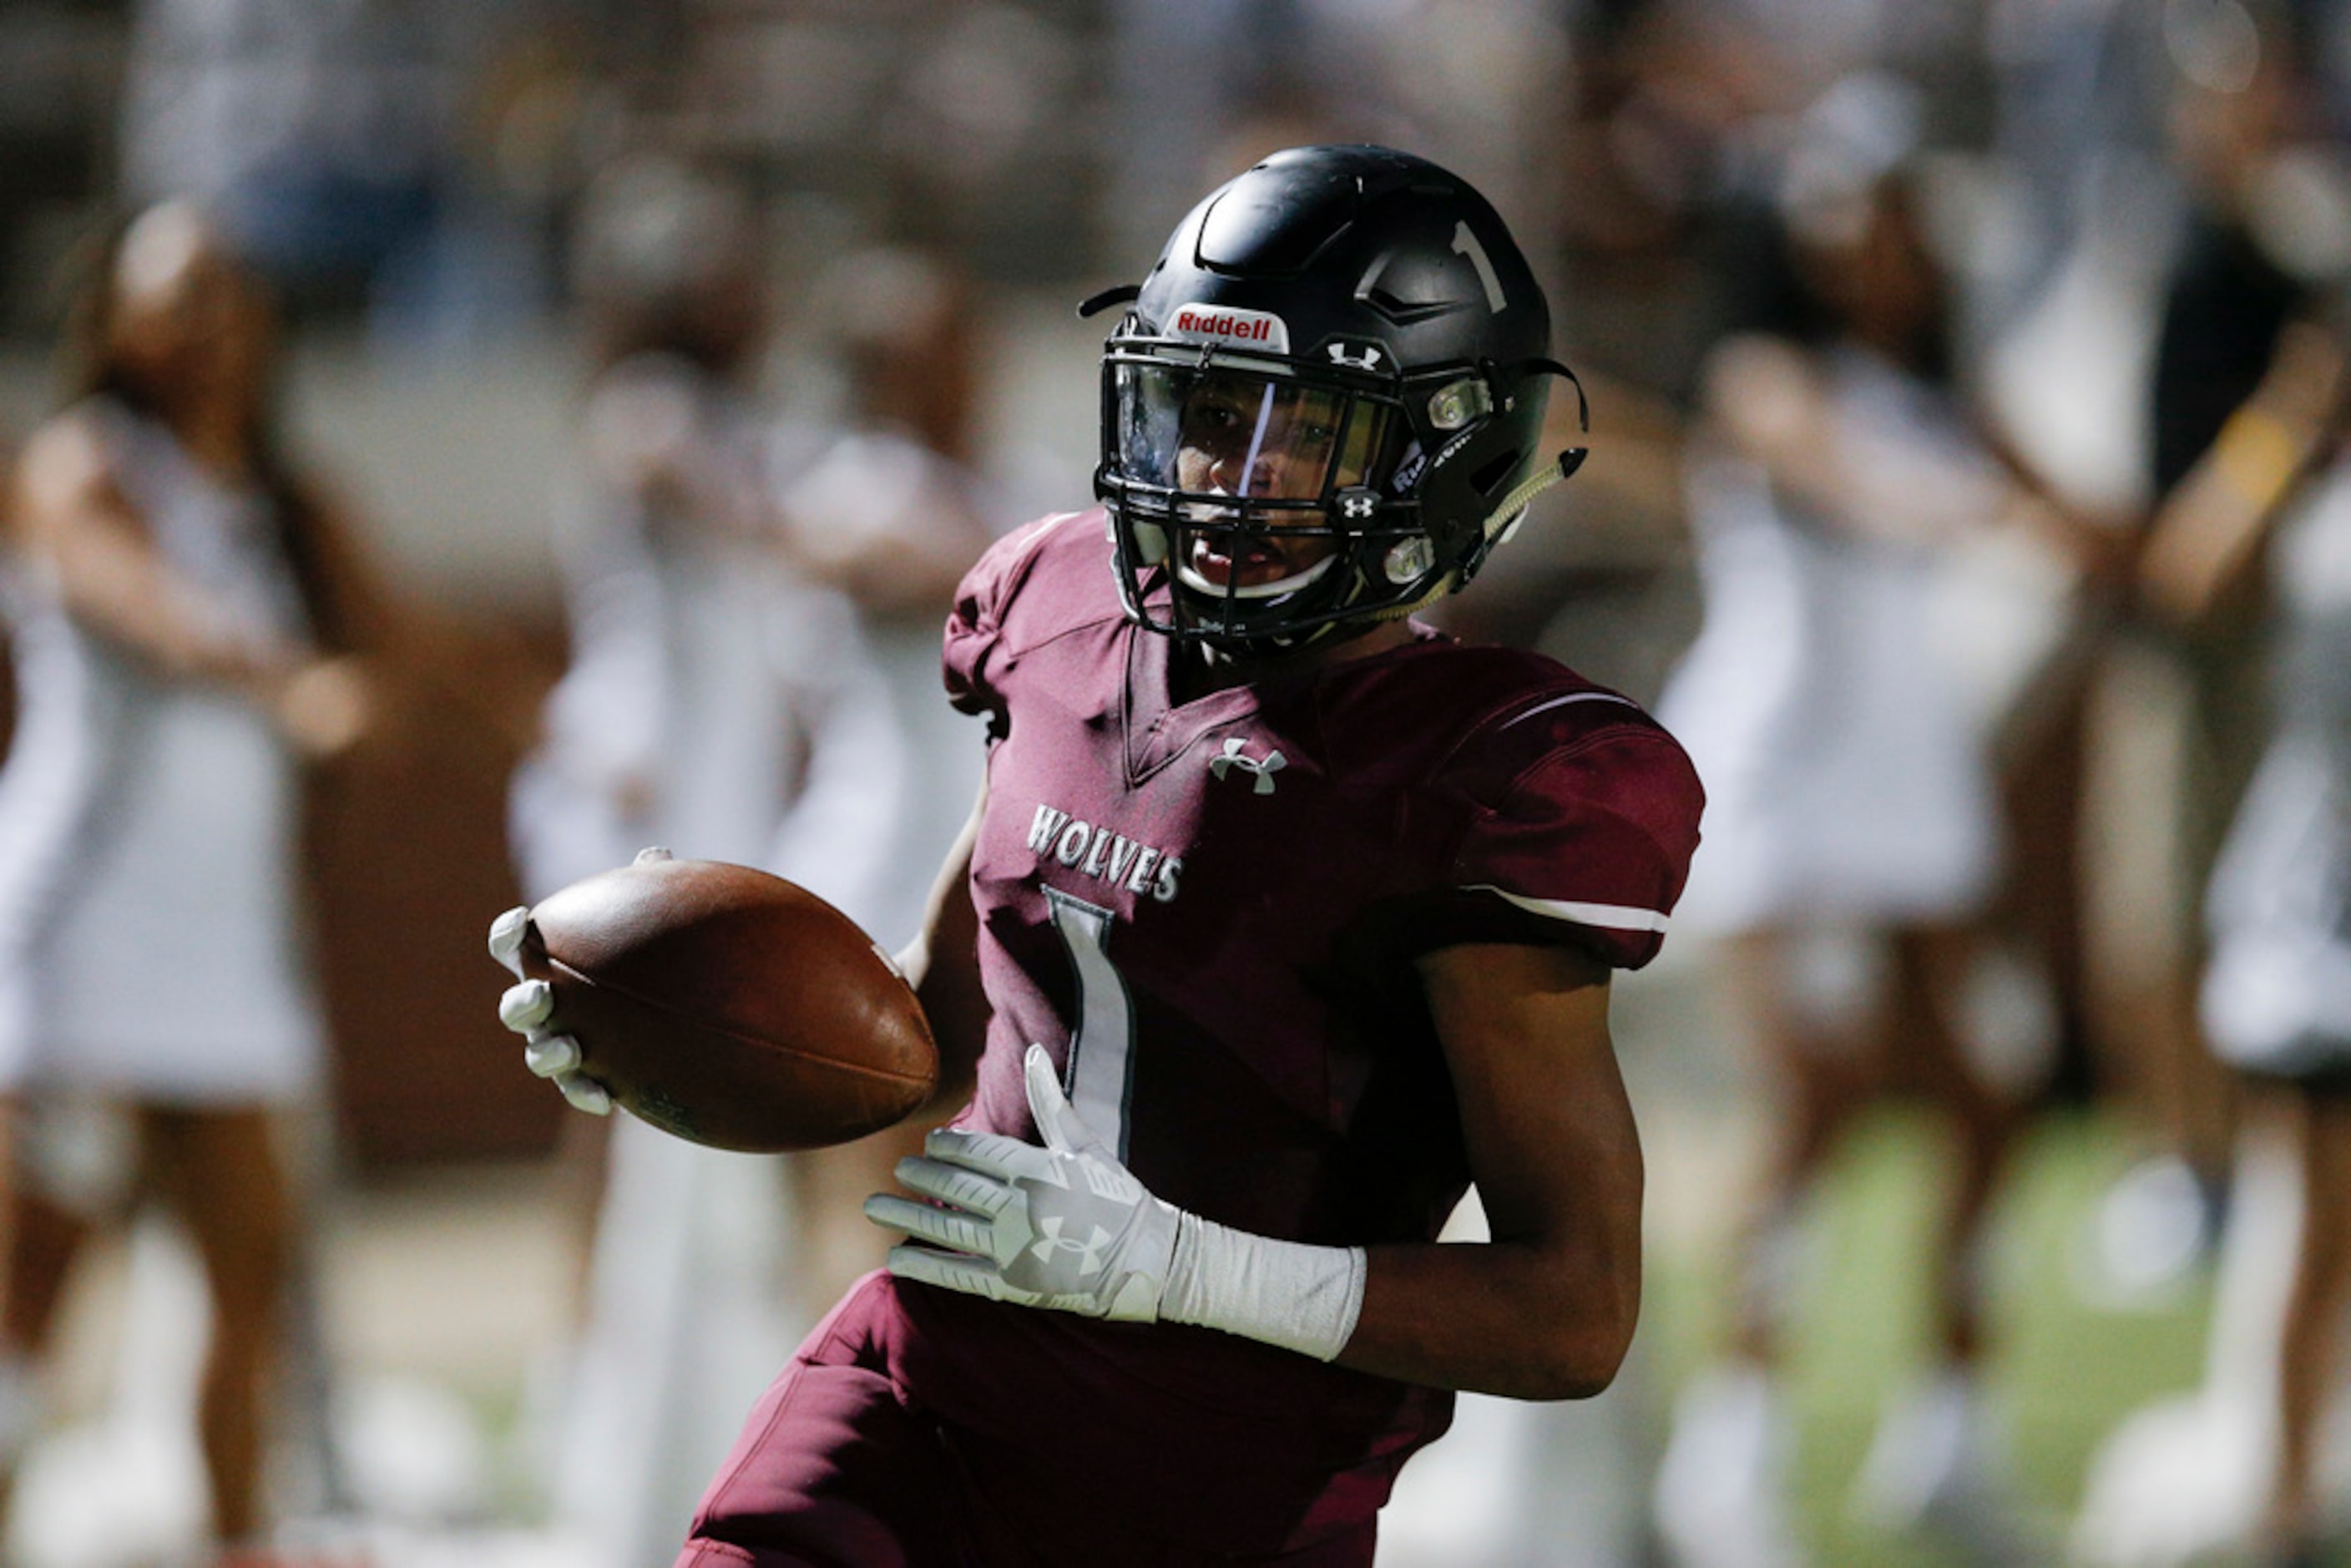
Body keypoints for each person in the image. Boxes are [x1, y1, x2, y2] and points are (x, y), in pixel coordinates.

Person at [493, 143, 1705, 1564]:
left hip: (1210, 1488)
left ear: (1448, 448)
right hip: (918, 1387)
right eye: (1204, 407)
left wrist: (1188, 1268)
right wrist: (667, 1023)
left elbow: (1573, 1311)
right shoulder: (1058, 611)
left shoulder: (1484, 773)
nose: (1224, 472)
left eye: (1301, 427)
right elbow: (935, 1027)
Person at [1647, 74, 2085, 1567]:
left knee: (1984, 1102)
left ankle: (1948, 1440)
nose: (1871, 239)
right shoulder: (1765, 372)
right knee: (1809, 1106)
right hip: (1779, 784)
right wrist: (1980, 513)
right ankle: (1730, 1458)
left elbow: (2083, 517)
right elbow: (1858, 481)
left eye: (1893, 210)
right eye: (1844, 208)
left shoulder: (1951, 390)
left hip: (1914, 788)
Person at [0, 199, 387, 1556]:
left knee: (249, 1288)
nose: (209, 324)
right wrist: (286, 681)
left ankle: (238, 1543)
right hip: (78, 939)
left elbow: (413, 645)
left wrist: (542, 726)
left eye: (229, 294)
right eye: (177, 297)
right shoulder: (80, 464)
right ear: (115, 322)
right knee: (29, 1299)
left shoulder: (287, 502)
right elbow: (138, 603)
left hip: (230, 957)